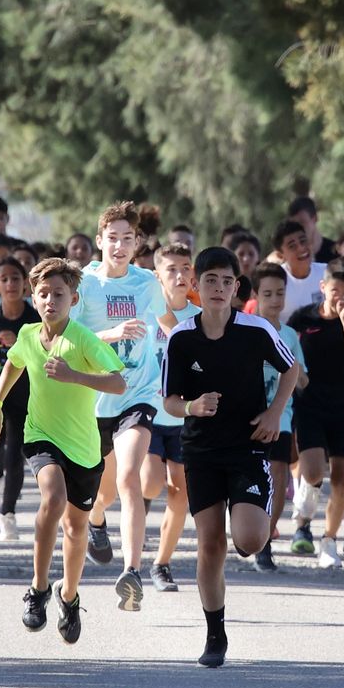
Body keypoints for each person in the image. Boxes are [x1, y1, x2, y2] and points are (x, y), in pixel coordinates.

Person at [162, 247, 299, 666]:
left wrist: (275, 413)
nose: (219, 288)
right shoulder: (182, 338)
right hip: (201, 451)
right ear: (195, 287)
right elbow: (168, 401)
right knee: (210, 545)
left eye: (226, 281)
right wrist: (192, 407)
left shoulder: (256, 330)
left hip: (247, 447)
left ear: (237, 288)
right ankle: (214, 634)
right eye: (210, 281)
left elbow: (290, 369)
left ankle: (259, 514)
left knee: (249, 540)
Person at [0, 258, 125, 645]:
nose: (50, 300)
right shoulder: (29, 335)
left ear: (73, 298)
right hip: (41, 435)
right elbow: (13, 365)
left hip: (83, 447)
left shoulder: (83, 339)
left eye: (58, 294)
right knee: (53, 498)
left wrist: (75, 375)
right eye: (43, 294)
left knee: (76, 529)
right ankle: (38, 588)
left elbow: (118, 383)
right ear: (34, 296)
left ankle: (69, 596)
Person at [74, 201, 169, 612]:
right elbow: (71, 335)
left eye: (127, 239)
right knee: (105, 492)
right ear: (99, 241)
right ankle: (96, 521)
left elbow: (170, 324)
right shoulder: (86, 283)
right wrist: (112, 334)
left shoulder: (147, 282)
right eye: (112, 238)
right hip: (96, 397)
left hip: (138, 393)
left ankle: (132, 572)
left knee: (130, 476)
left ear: (137, 243)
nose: (119, 245)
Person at [287, 262, 344, 567]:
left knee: (342, 479)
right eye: (336, 291)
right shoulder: (303, 318)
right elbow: (287, 354)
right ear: (323, 288)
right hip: (309, 406)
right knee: (311, 472)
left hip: (343, 410)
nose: (342, 298)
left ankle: (329, 540)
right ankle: (303, 521)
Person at [144, 242, 200, 591]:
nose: (179, 275)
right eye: (171, 270)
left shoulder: (198, 317)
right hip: (149, 413)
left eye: (185, 268)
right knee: (151, 483)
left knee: (180, 494)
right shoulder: (145, 314)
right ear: (157, 276)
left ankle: (161, 564)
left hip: (185, 419)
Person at [0, 257, 40, 540]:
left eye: (16, 278)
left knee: (15, 454)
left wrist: (19, 343)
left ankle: (8, 514)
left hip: (26, 396)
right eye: (4, 279)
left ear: (25, 284)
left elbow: (44, 353)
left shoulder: (35, 318)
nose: (11, 284)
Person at [251, 263, 308, 572]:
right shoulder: (247, 329)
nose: (275, 299)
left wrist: (293, 368)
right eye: (268, 293)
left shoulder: (290, 334)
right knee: (250, 481)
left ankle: (264, 544)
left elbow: (303, 379)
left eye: (280, 293)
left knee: (279, 480)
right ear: (256, 295)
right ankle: (248, 530)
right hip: (248, 418)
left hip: (282, 417)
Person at [287, 196, 338, 264]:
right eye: (294, 224)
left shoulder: (336, 253)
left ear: (315, 218)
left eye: (302, 222)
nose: (298, 229)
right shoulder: (288, 257)